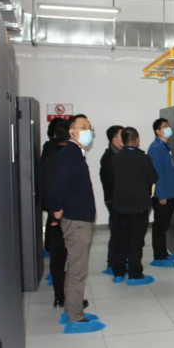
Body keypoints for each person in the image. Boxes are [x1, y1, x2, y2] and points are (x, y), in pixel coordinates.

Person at [49, 114, 104, 332]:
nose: (88, 130)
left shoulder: (76, 154)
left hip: (80, 217)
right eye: (83, 127)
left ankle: (71, 310)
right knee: (77, 268)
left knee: (75, 266)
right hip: (76, 220)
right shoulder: (68, 155)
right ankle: (75, 317)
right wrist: (56, 209)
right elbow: (56, 186)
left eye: (89, 127)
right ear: (72, 132)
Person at [111, 127, 158, 285]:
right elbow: (153, 177)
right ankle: (135, 274)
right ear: (137, 140)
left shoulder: (116, 158)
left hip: (119, 204)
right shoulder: (143, 158)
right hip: (139, 205)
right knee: (136, 241)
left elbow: (112, 178)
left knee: (120, 239)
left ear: (123, 141)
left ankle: (118, 272)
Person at [39, 119, 70, 307]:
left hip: (55, 211)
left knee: (58, 257)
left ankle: (60, 296)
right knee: (67, 257)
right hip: (65, 213)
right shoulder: (64, 158)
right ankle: (65, 296)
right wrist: (55, 212)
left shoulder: (48, 153)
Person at [148, 118, 174, 267]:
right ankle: (159, 256)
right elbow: (157, 174)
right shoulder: (155, 148)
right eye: (165, 126)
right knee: (160, 225)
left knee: (165, 224)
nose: (168, 128)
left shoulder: (166, 146)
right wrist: (161, 195)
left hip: (170, 191)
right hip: (163, 194)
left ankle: (163, 252)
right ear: (158, 131)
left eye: (168, 125)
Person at [99, 125, 123, 274]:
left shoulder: (121, 154)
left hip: (121, 199)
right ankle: (112, 263)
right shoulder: (109, 157)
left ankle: (120, 260)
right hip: (114, 200)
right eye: (122, 135)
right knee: (117, 232)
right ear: (114, 139)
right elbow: (112, 181)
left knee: (122, 232)